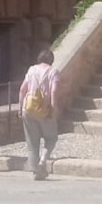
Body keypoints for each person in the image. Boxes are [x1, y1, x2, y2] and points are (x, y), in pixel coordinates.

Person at [19, 48, 60, 180]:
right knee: (51, 138)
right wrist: (53, 109)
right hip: (44, 109)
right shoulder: (53, 72)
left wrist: (20, 108)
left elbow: (22, 90)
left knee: (32, 142)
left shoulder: (31, 70)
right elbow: (54, 91)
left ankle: (35, 170)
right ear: (51, 60)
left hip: (28, 108)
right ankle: (42, 162)